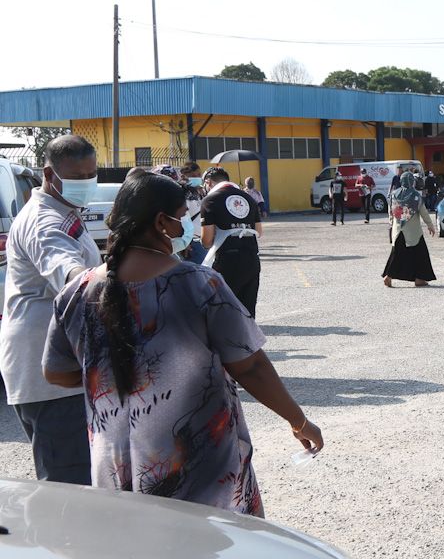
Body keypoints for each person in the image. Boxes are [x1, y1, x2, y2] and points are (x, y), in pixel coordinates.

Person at [42, 171, 323, 516]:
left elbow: (57, 372)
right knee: (212, 557)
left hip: (117, 470)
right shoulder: (200, 285)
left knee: (138, 557)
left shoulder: (76, 292)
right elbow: (249, 365)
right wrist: (298, 420)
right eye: (181, 218)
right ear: (162, 223)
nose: (186, 227)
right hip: (197, 471)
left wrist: (118, 375)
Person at [0, 134, 102, 485]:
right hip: (49, 377)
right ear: (49, 173)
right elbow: (69, 272)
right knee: (69, 490)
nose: (86, 184)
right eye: (77, 178)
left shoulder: (63, 211)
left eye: (92, 175)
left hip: (56, 366)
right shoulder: (45, 221)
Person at [201, 178, 263, 317]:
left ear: (209, 182)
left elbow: (207, 240)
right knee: (247, 311)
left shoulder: (210, 200)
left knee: (223, 310)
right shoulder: (249, 198)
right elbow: (259, 231)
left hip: (226, 261)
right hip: (251, 259)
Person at [382, 170, 437, 287]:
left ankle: (389, 276)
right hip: (413, 232)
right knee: (420, 254)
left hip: (398, 230)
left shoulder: (394, 194)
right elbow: (423, 212)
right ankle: (419, 278)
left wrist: (392, 223)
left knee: (396, 255)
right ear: (412, 182)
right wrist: (430, 225)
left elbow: (391, 212)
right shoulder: (416, 196)